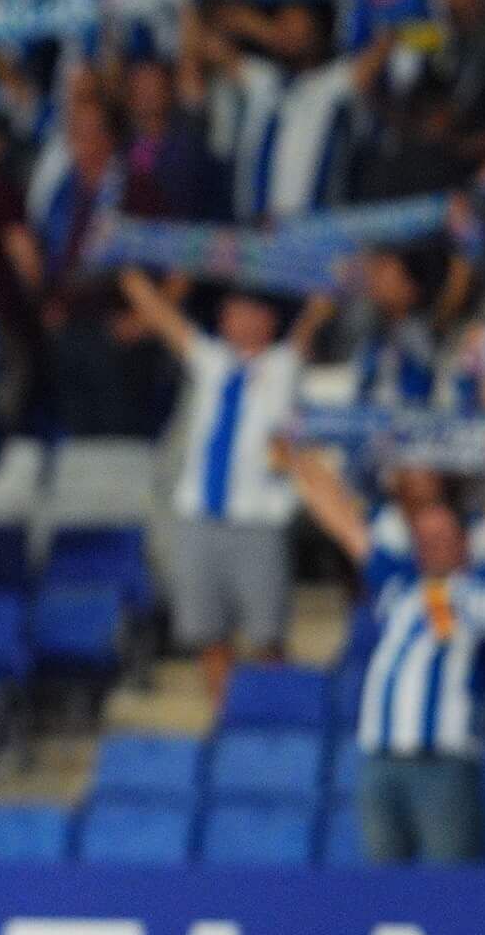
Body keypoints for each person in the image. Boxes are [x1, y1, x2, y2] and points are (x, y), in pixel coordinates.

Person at [120, 269, 329, 709]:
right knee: (207, 634)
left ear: (271, 320)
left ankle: (272, 723)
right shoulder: (211, 361)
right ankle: (225, 719)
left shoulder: (285, 365)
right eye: (236, 313)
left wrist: (321, 270)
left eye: (255, 313)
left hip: (258, 519)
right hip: (199, 518)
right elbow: (160, 316)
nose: (245, 322)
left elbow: (321, 309)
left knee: (267, 638)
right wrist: (130, 267)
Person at [296, 466, 485, 863]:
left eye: (443, 537)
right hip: (380, 757)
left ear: (463, 543)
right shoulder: (398, 584)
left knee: (447, 884)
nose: (433, 545)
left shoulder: (480, 591)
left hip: (442, 760)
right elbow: (345, 526)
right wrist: (300, 465)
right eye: (425, 538)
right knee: (382, 889)